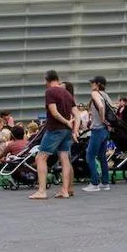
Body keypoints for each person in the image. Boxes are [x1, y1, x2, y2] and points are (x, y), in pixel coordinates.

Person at [30, 70, 77, 200]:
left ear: (47, 79)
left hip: (54, 129)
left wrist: (66, 121)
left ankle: (41, 191)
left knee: (40, 158)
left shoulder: (50, 92)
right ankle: (65, 190)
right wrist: (74, 127)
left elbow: (54, 112)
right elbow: (76, 113)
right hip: (66, 131)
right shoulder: (67, 93)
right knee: (64, 158)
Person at [83, 75, 113, 193]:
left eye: (93, 83)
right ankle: (105, 183)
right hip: (105, 130)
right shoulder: (106, 95)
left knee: (89, 155)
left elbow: (100, 106)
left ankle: (94, 182)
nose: (91, 85)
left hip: (98, 129)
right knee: (102, 156)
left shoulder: (95, 94)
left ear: (98, 84)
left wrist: (101, 118)